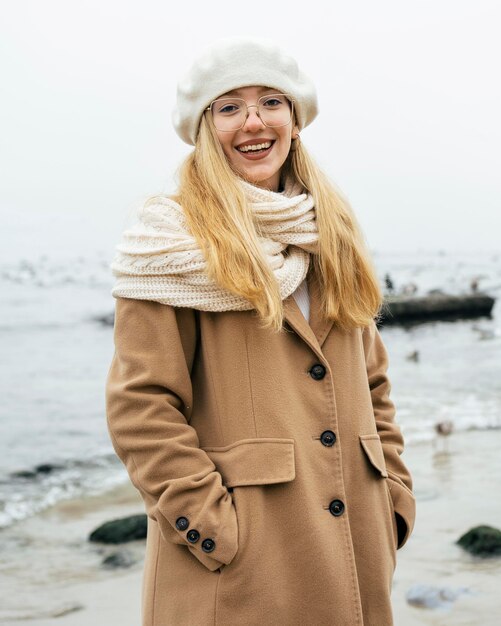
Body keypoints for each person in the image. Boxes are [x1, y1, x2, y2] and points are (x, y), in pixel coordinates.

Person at [105, 36, 416, 626]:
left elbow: (373, 384)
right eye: (229, 108)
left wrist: (393, 496)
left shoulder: (332, 234)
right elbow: (141, 407)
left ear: (295, 120)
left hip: (355, 548)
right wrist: (209, 525)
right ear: (205, 127)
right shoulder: (167, 245)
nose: (253, 122)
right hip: (240, 571)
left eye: (271, 101)